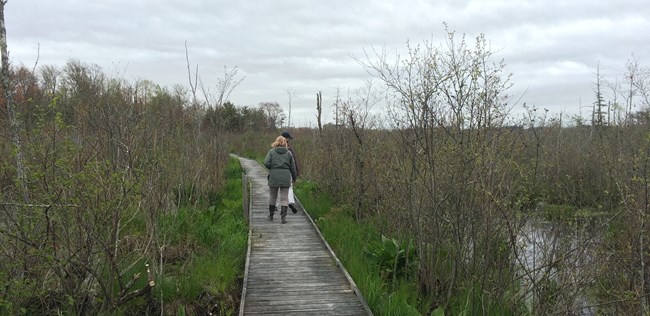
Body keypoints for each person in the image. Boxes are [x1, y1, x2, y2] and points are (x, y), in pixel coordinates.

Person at [264, 136, 297, 224]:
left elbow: (266, 163)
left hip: (274, 176)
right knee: (284, 197)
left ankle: (271, 215)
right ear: (285, 143)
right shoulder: (289, 153)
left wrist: (272, 168)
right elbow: (293, 168)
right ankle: (283, 218)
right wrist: (294, 178)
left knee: (273, 196)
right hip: (285, 177)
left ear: (276, 142)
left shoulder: (272, 152)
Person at [281, 131, 300, 213]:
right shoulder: (290, 149)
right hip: (288, 172)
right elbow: (294, 162)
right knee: (289, 187)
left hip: (277, 172)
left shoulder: (275, 148)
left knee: (278, 188)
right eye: (289, 138)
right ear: (287, 138)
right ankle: (291, 202)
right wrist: (296, 172)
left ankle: (275, 205)